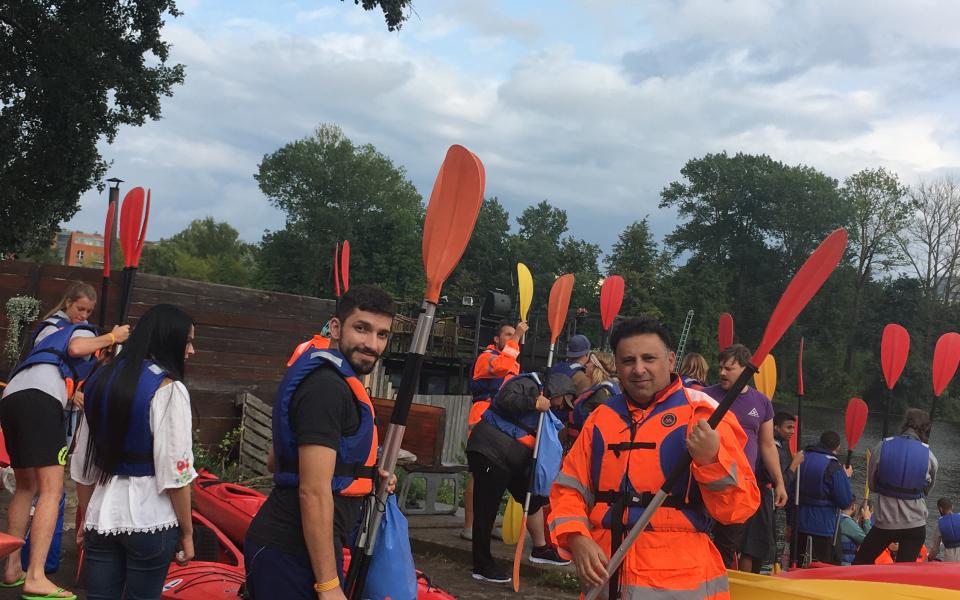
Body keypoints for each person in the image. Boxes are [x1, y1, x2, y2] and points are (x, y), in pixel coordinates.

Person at [549, 317, 759, 599]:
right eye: (628, 360)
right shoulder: (600, 419)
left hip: (681, 583)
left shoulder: (704, 416)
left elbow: (739, 508)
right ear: (616, 366)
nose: (638, 369)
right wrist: (577, 538)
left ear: (671, 360)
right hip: (605, 574)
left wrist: (710, 461)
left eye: (649, 358)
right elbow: (568, 490)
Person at [244, 285, 398, 599]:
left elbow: (276, 460)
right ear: (337, 327)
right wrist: (328, 585)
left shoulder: (333, 379)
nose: (371, 344)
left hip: (302, 549)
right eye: (362, 328)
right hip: (291, 551)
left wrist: (362, 475)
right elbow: (313, 490)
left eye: (382, 335)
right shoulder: (327, 388)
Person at [1, 282, 129, 599]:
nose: (83, 315)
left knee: (26, 486)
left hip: (13, 397)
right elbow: (75, 349)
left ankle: (12, 568)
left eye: (87, 311)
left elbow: (58, 366)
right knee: (51, 490)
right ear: (68, 303)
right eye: (79, 309)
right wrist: (113, 337)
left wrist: (74, 396)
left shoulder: (45, 330)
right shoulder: (75, 330)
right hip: (40, 402)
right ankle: (36, 577)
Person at [72, 303, 197, 599]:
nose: (191, 351)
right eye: (188, 341)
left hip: (101, 517)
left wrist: (86, 516)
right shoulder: (168, 389)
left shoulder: (100, 381)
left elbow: (83, 465)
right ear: (170, 340)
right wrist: (188, 533)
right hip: (151, 519)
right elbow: (175, 473)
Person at [465, 373, 570, 584]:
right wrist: (533, 402)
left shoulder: (547, 410)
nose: (561, 406)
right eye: (563, 400)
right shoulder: (528, 384)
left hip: (511, 460)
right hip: (489, 452)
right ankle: (482, 565)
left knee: (532, 497)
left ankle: (540, 549)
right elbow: (505, 399)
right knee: (486, 510)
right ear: (557, 392)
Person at [703, 344, 787, 573]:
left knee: (728, 545)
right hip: (708, 482)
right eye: (720, 367)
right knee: (702, 538)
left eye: (728, 368)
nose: (721, 373)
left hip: (740, 487)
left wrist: (779, 482)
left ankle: (720, 586)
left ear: (746, 370)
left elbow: (767, 445)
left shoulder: (761, 403)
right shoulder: (706, 396)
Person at [463, 320, 526, 541]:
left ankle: (486, 525)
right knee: (479, 475)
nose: (511, 338)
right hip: (482, 420)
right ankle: (470, 527)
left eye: (513, 334)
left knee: (499, 474)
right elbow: (500, 366)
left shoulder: (511, 359)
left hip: (503, 423)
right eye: (507, 335)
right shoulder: (487, 357)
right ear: (496, 339)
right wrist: (517, 336)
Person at [853, 408, 938, 565]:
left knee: (860, 562)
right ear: (925, 430)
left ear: (904, 425)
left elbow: (872, 485)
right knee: (903, 572)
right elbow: (927, 491)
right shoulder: (929, 456)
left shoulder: (882, 446)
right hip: (915, 524)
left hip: (885, 521)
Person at [796, 430, 853, 565]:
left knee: (799, 563)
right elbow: (844, 502)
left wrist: (789, 523)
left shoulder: (801, 458)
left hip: (798, 523)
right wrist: (846, 477)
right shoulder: (834, 467)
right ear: (837, 447)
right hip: (822, 527)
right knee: (820, 568)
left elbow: (791, 491)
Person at [564, 352, 619, 447]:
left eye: (589, 362)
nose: (586, 365)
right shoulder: (597, 389)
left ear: (596, 368)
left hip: (588, 445)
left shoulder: (602, 394)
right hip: (579, 442)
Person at [773, 411, 803, 568]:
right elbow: (781, 482)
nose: (792, 431)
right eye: (789, 427)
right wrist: (794, 464)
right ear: (776, 428)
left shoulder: (779, 448)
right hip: (773, 504)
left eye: (794, 428)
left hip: (778, 505)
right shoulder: (775, 449)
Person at [838, 498, 872, 565]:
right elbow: (869, 542)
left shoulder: (835, 517)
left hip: (834, 561)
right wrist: (867, 519)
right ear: (853, 507)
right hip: (844, 565)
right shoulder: (848, 523)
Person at [930, 497, 960, 562]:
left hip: (950, 559)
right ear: (952, 506)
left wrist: (929, 559)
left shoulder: (939, 524)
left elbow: (935, 550)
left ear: (940, 509)